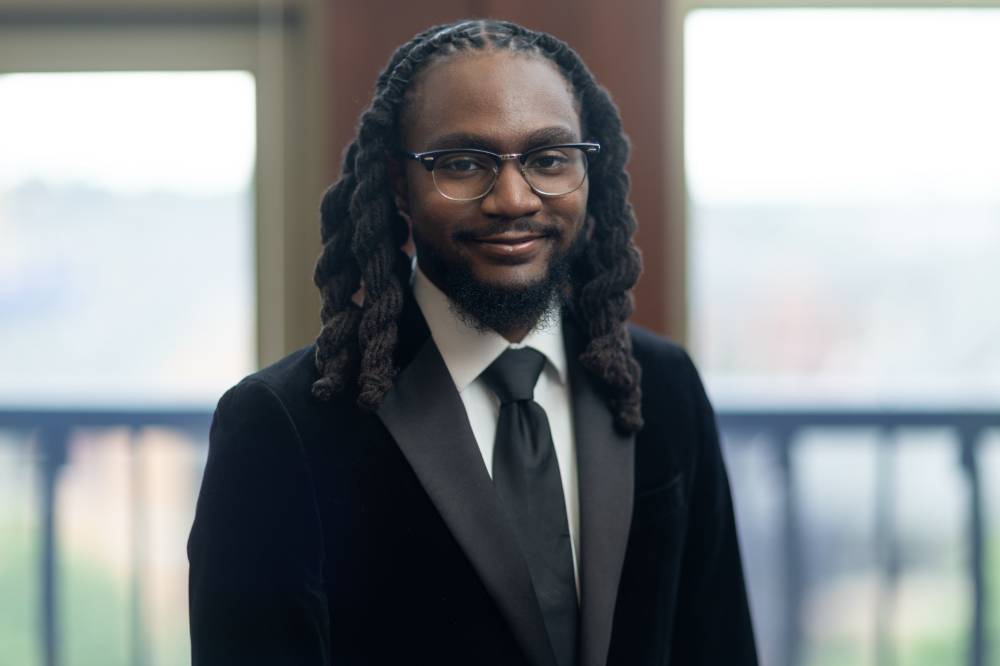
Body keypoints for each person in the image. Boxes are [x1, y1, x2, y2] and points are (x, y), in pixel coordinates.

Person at [188, 18, 758, 666]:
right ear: (399, 185)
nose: (513, 199)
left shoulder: (664, 385)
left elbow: (720, 643)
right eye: (463, 163)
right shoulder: (283, 425)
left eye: (548, 159)